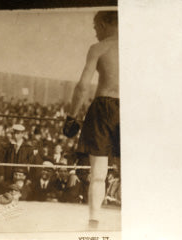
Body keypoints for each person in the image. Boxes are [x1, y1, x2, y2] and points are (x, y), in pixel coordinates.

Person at [64, 11, 119, 228]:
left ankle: (94, 223)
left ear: (105, 24)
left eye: (96, 26)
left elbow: (83, 86)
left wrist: (72, 116)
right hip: (133, 107)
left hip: (104, 106)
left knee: (98, 173)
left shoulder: (99, 48)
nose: (95, 31)